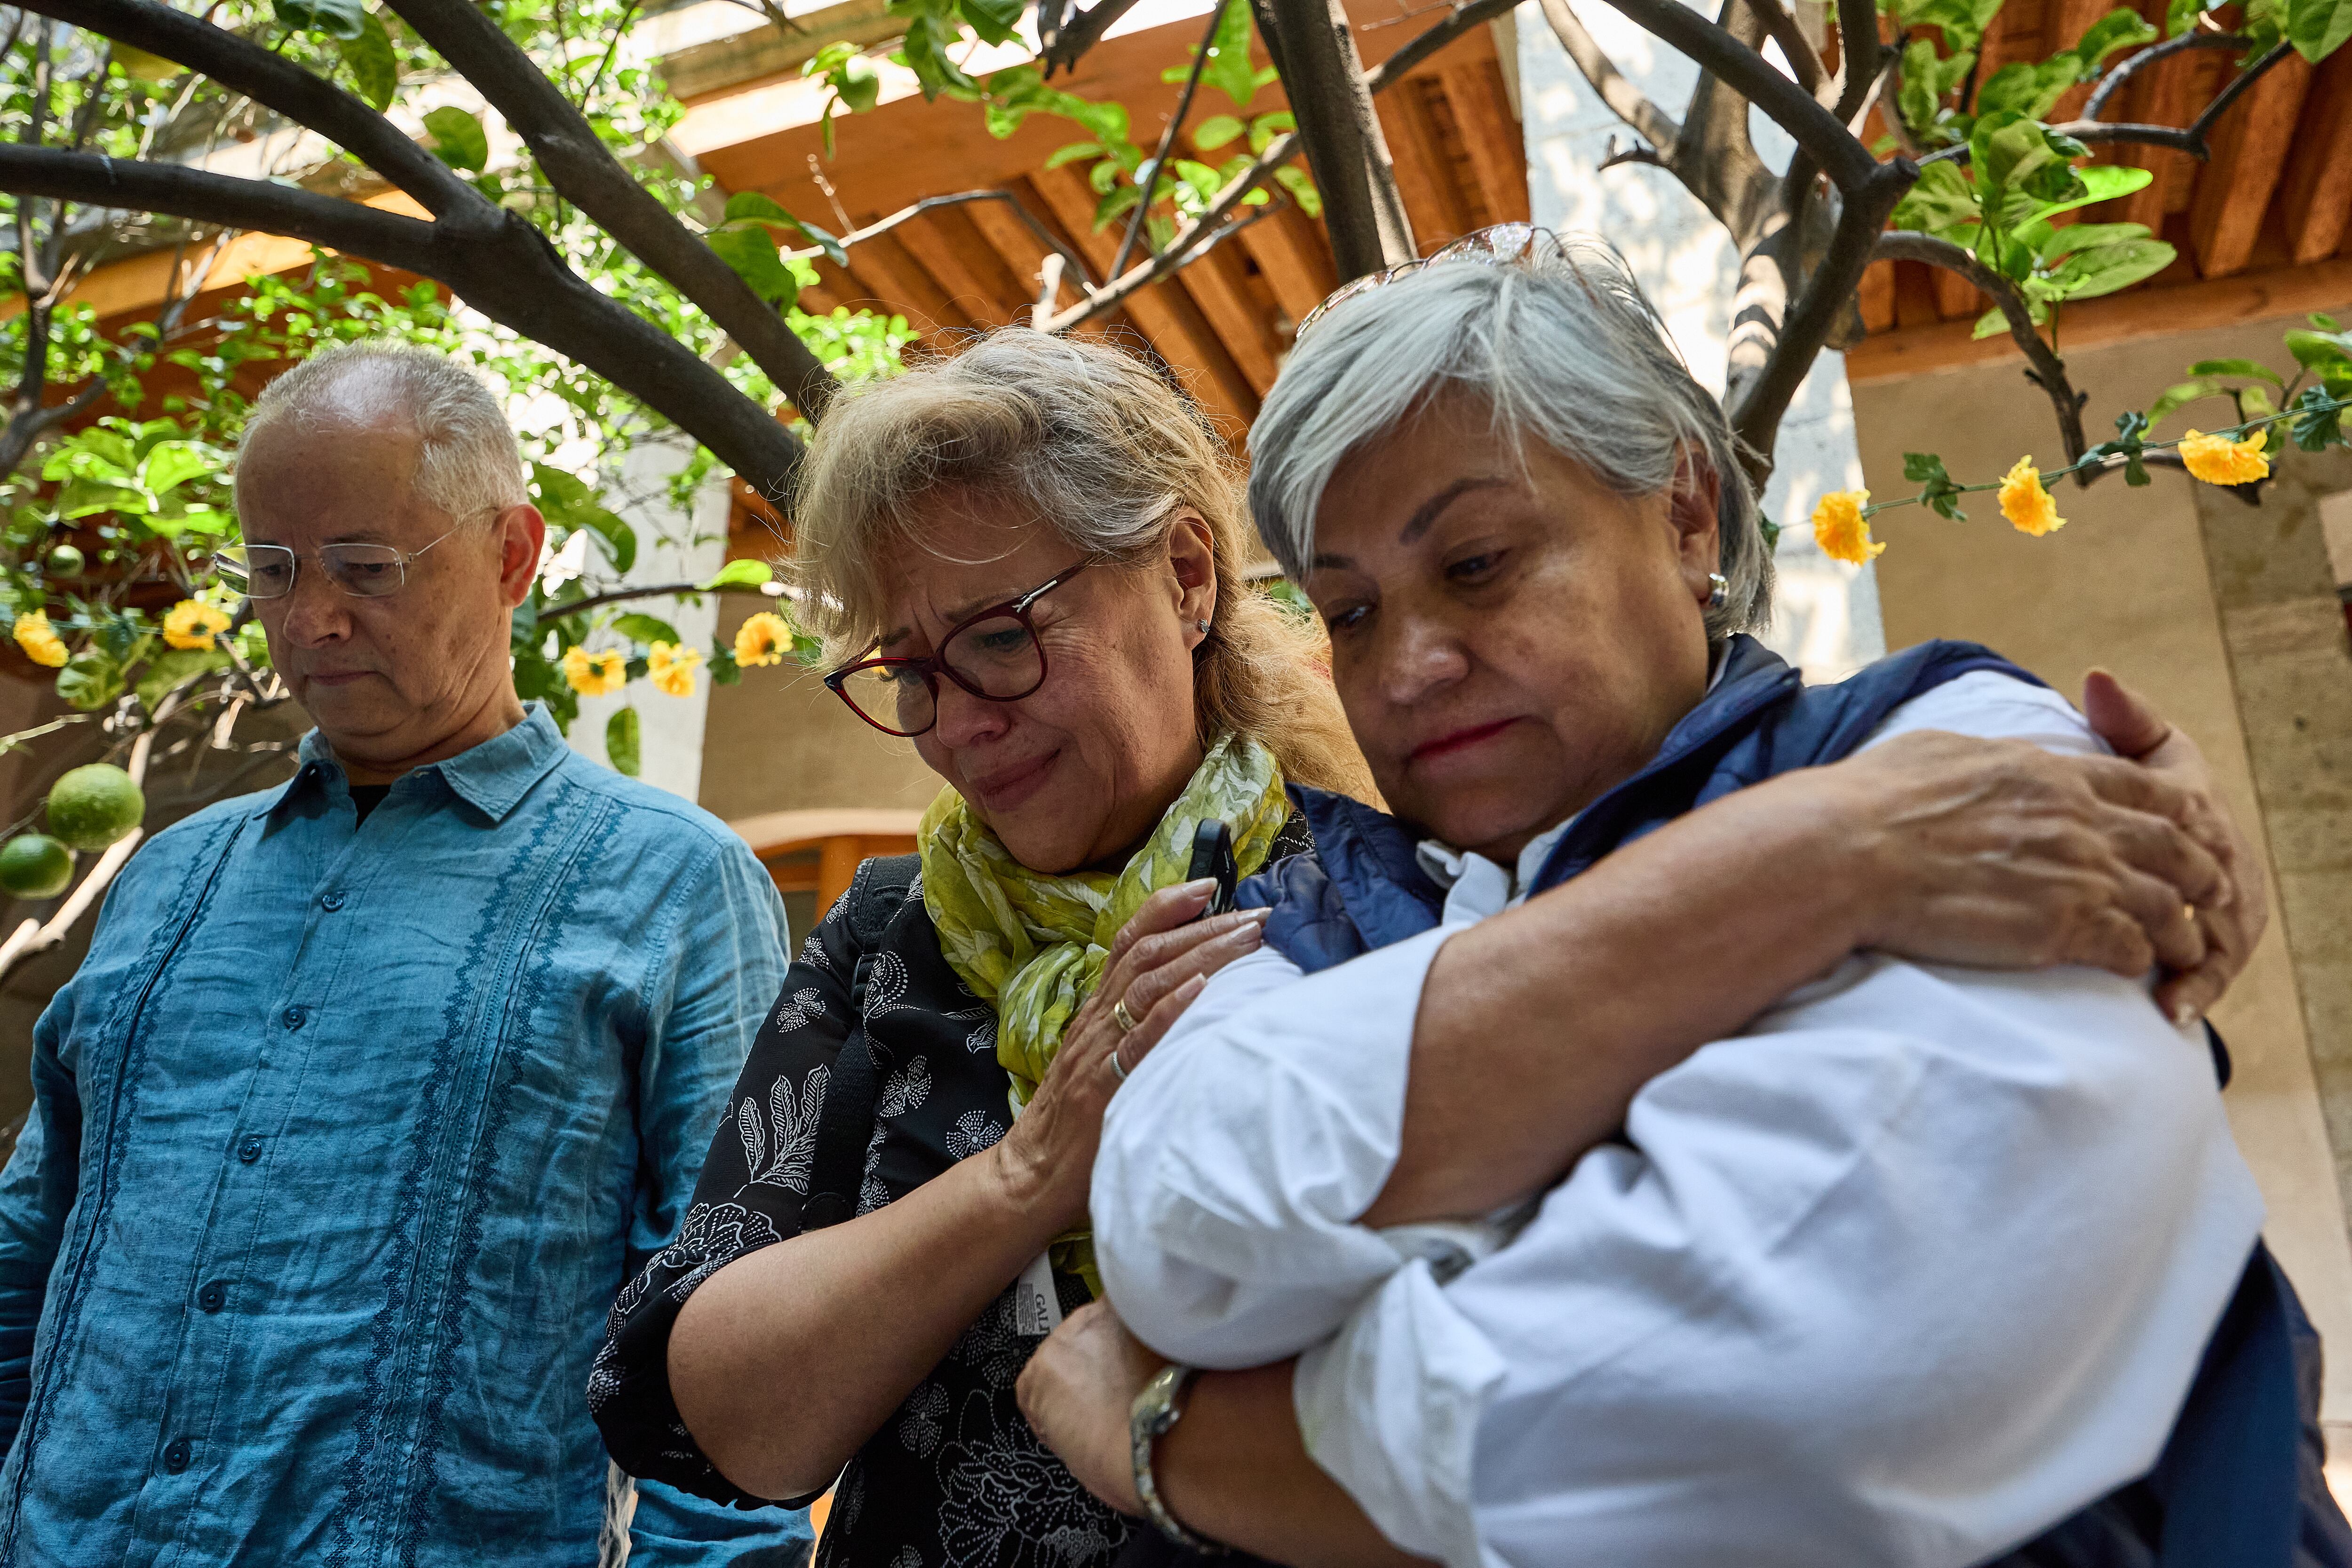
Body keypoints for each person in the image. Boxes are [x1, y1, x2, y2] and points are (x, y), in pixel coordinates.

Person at [591, 328, 2263, 1567]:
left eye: (1003, 640)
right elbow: (725, 1422)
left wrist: (1155, 1431)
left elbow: (1639, 1366)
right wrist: (1034, 1171)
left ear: (1186, 576)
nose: (957, 721)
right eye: (906, 673)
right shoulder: (890, 938)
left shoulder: (1392, 888)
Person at [1025, 233, 2349, 1567]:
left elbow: (1799, 1384)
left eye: (1476, 563)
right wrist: (1825, 865)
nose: (1409, 664)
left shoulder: (1965, 755)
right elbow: (1174, 1235)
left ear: (1686, 517)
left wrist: (1191, 1441)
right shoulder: (1276, 930)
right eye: (1351, 611)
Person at [0, 342, 812, 1565]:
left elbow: (731, 1311)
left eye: (364, 568)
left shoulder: (675, 883)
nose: (308, 618)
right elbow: (32, 1241)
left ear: (514, 555)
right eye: (272, 569)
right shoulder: (169, 875)